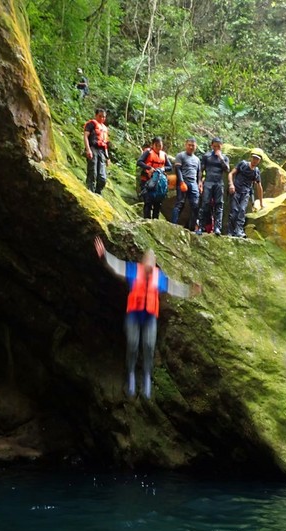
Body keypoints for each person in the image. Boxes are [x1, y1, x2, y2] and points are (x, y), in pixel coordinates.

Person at [94, 236, 202, 399]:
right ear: (143, 263)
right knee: (132, 345)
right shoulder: (133, 270)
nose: (148, 270)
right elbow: (117, 266)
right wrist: (104, 255)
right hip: (133, 315)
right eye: (147, 266)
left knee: (149, 347)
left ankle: (146, 377)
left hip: (149, 317)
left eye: (151, 266)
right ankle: (130, 373)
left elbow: (175, 288)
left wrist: (190, 291)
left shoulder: (159, 278)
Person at [227, 148, 264, 238]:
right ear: (251, 158)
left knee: (242, 210)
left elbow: (259, 186)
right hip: (236, 190)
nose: (255, 160)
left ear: (259, 161)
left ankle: (239, 230)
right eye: (254, 158)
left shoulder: (256, 171)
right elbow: (231, 174)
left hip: (246, 193)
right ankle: (230, 231)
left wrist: (261, 203)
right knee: (234, 211)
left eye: (257, 159)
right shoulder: (243, 164)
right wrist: (231, 184)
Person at [198, 137, 230, 235]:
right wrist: (199, 181)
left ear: (221, 146)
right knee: (205, 204)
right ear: (211, 146)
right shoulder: (206, 156)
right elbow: (201, 169)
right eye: (214, 146)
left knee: (219, 205)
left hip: (219, 183)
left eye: (218, 146)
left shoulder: (224, 157)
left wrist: (220, 157)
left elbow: (227, 169)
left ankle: (217, 228)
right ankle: (201, 226)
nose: (216, 148)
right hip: (208, 182)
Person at [136, 136, 172, 219]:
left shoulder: (163, 154)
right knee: (148, 202)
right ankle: (146, 219)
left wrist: (163, 168)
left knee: (158, 203)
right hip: (147, 181)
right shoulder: (148, 152)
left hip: (159, 183)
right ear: (153, 145)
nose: (159, 148)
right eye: (157, 145)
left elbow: (169, 167)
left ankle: (155, 220)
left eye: (160, 146)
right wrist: (149, 168)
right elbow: (139, 162)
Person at [170, 138, 202, 231]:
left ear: (196, 147)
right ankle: (173, 225)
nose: (191, 147)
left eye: (193, 145)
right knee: (180, 203)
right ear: (186, 145)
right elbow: (178, 169)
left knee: (195, 205)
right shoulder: (180, 155)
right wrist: (181, 182)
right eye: (189, 145)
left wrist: (199, 183)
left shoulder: (197, 159)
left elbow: (199, 172)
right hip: (184, 181)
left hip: (193, 183)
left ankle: (192, 227)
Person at [83, 108, 110, 195]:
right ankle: (90, 191)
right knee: (92, 172)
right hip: (93, 148)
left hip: (102, 152)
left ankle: (98, 192)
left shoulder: (104, 128)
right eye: (100, 116)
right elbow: (86, 136)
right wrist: (88, 150)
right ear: (96, 115)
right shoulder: (91, 124)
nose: (102, 118)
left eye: (104, 117)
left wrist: (107, 157)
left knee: (102, 177)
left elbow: (105, 144)